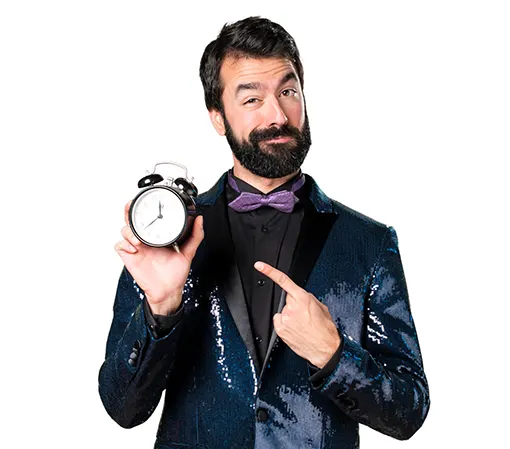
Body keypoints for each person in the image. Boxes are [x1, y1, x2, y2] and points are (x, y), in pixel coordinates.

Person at [98, 16, 430, 449]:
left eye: (288, 92)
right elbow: (122, 408)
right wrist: (161, 310)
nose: (277, 115)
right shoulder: (165, 236)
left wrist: (334, 355)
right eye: (252, 99)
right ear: (218, 117)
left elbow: (408, 410)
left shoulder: (369, 242)